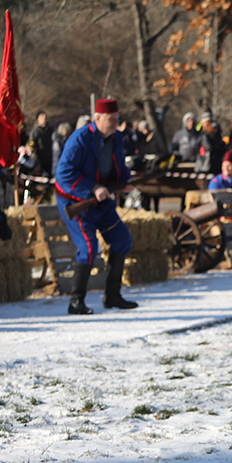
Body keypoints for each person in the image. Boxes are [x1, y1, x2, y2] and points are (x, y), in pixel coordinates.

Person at [54, 98, 138, 315]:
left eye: (117, 119)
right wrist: (92, 188)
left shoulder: (117, 138)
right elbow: (64, 174)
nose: (115, 124)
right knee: (90, 248)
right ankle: (76, 302)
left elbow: (118, 165)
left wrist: (125, 181)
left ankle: (112, 297)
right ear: (97, 118)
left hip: (101, 201)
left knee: (121, 240)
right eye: (111, 120)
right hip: (76, 200)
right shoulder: (79, 139)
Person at [28, 111, 54, 176]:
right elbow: (31, 142)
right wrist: (32, 147)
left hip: (50, 157)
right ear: (38, 119)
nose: (44, 119)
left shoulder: (51, 130)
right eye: (42, 117)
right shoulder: (35, 132)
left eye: (45, 117)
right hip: (40, 158)